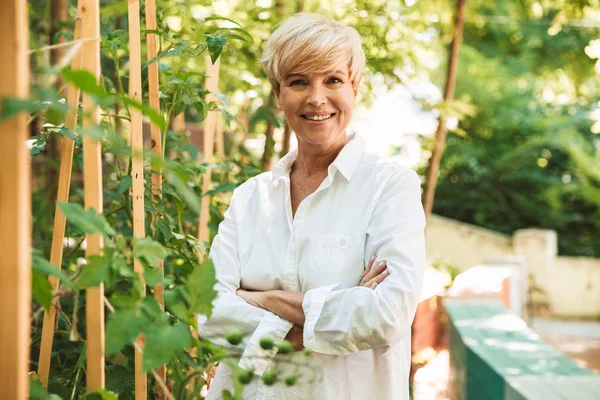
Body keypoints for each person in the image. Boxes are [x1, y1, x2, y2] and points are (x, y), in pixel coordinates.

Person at [198, 12, 426, 400]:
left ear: (354, 88)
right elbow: (209, 314)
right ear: (278, 95)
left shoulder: (390, 188)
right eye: (298, 81)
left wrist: (256, 300)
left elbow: (386, 315)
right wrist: (338, 309)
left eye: (333, 80)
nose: (316, 98)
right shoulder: (250, 198)